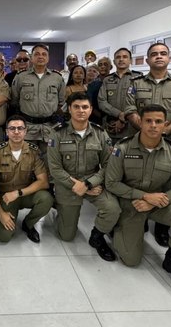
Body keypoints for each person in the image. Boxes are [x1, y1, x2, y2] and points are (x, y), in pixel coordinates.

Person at [105, 104, 171, 289]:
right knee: (130, 260)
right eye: (148, 121)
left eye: (158, 121)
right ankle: (116, 228)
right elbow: (111, 183)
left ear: (165, 125)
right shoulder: (122, 148)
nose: (153, 125)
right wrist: (145, 196)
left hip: (160, 203)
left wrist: (155, 201)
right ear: (140, 123)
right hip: (131, 203)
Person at [123, 43, 171, 248]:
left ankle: (163, 227)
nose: (159, 57)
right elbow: (130, 109)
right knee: (138, 180)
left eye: (163, 54)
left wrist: (163, 132)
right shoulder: (135, 83)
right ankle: (141, 219)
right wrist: (147, 130)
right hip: (139, 142)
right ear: (147, 60)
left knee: (167, 183)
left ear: (169, 58)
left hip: (169, 142)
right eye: (154, 54)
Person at [47, 92, 120, 261]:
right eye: (77, 107)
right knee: (67, 236)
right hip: (67, 184)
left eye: (85, 107)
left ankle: (98, 235)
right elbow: (55, 168)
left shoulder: (100, 133)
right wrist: (79, 186)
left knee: (112, 209)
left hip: (93, 182)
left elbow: (109, 165)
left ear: (91, 109)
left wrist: (88, 184)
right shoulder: (57, 133)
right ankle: (61, 212)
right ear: (69, 109)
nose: (81, 110)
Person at [0, 116, 52, 243]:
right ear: (7, 132)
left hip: (24, 194)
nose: (16, 132)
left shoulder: (34, 152)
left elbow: (43, 182)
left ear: (25, 131)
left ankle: (28, 224)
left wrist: (18, 193)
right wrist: (0, 212)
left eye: (20, 128)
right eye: (12, 128)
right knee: (4, 237)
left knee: (46, 199)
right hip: (5, 198)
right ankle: (0, 215)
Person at [11, 44, 65, 155]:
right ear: (31, 58)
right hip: (28, 128)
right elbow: (14, 100)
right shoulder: (21, 77)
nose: (40, 57)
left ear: (48, 58)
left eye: (44, 54)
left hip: (50, 128)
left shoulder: (57, 78)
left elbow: (61, 102)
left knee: (49, 159)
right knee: (27, 159)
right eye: (37, 54)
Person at [98, 47, 142, 144]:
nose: (121, 59)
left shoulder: (138, 79)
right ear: (114, 61)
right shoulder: (107, 80)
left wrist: (123, 119)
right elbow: (101, 102)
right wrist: (119, 114)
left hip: (132, 128)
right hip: (111, 127)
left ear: (130, 60)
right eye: (118, 57)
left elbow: (140, 102)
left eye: (125, 57)